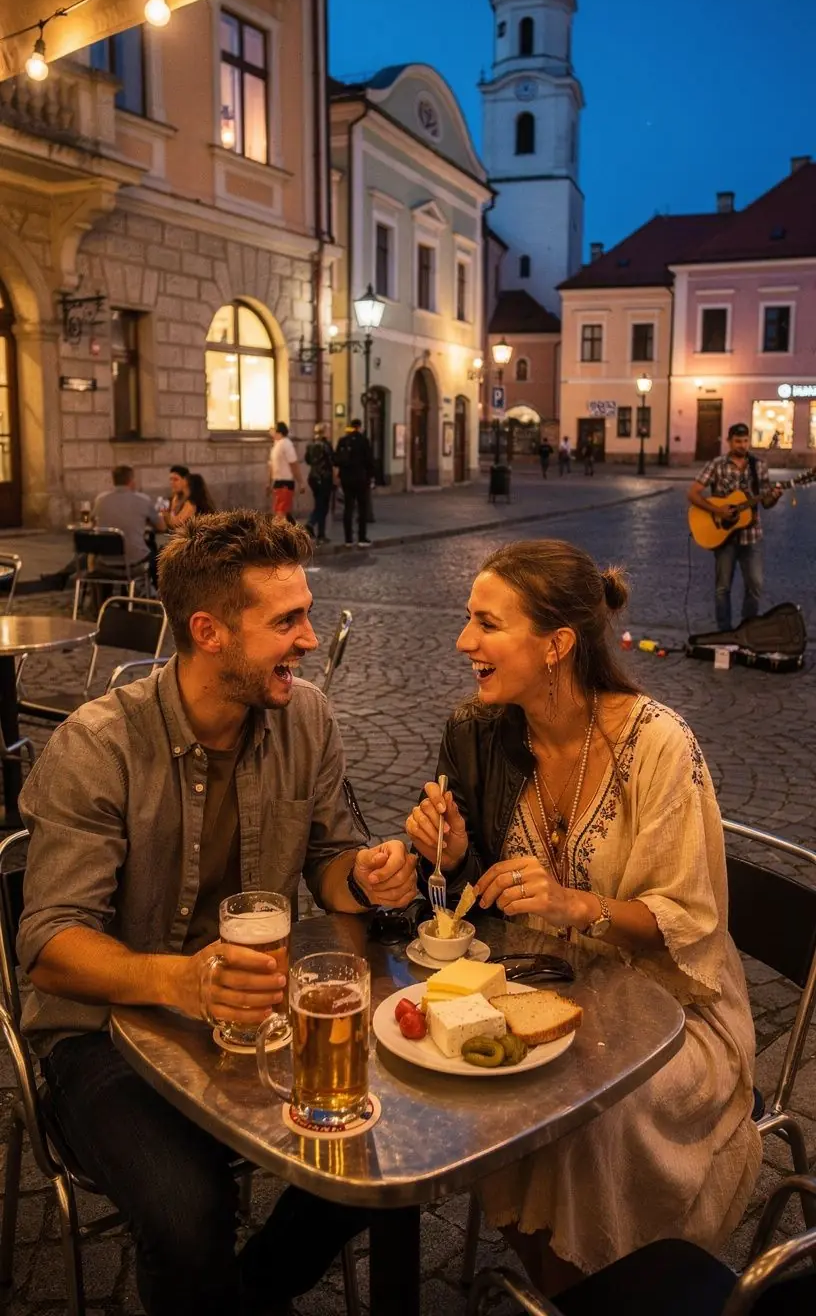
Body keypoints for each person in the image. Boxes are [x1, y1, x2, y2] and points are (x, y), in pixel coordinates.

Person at [17, 511, 417, 1316]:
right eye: (287, 621)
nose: (309, 640)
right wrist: (184, 982)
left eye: (306, 612)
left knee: (390, 1150)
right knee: (186, 1207)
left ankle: (251, 1292)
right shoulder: (99, 745)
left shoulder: (306, 718)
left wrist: (369, 877)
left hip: (255, 1017)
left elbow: (329, 863)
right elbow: (50, 945)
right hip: (100, 1034)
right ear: (208, 631)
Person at [405, 538, 761, 1294]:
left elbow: (690, 920)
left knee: (583, 1118)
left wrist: (580, 906)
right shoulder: (479, 732)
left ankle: (596, 1287)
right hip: (538, 991)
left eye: (487, 622)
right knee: (468, 1080)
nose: (464, 640)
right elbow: (458, 902)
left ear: (558, 644)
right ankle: (555, 1277)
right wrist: (453, 852)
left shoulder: (658, 745)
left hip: (671, 1012)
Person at [688, 422, 782, 631]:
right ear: (730, 441)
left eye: (746, 440)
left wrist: (774, 497)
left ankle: (746, 631)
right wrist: (717, 511)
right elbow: (693, 493)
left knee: (755, 586)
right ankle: (725, 633)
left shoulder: (758, 466)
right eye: (738, 441)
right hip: (724, 538)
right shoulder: (717, 464)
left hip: (752, 536)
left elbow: (765, 502)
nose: (742, 445)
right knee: (722, 589)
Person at [92, 465, 163, 593]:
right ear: (131, 481)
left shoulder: (100, 500)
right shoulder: (143, 500)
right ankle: (156, 595)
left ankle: (104, 602)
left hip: (105, 562)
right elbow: (161, 526)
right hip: (133, 563)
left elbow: (94, 525)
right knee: (154, 553)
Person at [334, 418, 374, 549]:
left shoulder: (343, 441)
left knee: (348, 508)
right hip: (361, 479)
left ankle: (348, 539)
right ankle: (362, 538)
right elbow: (369, 461)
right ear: (360, 427)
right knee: (362, 509)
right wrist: (371, 477)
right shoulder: (363, 441)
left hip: (346, 479)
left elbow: (336, 460)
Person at [269, 422, 306, 524]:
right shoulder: (277, 445)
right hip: (279, 482)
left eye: (273, 430)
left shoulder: (286, 444)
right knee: (280, 511)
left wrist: (301, 482)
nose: (271, 433)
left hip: (285, 482)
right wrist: (269, 483)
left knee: (281, 512)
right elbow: (271, 466)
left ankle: (279, 534)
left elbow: (293, 464)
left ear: (279, 432)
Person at [304, 423, 335, 543]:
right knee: (323, 506)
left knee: (319, 503)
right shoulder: (326, 445)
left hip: (313, 477)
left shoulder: (310, 445)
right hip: (324, 478)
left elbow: (307, 460)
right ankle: (310, 523)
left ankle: (321, 535)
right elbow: (332, 460)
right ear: (324, 432)